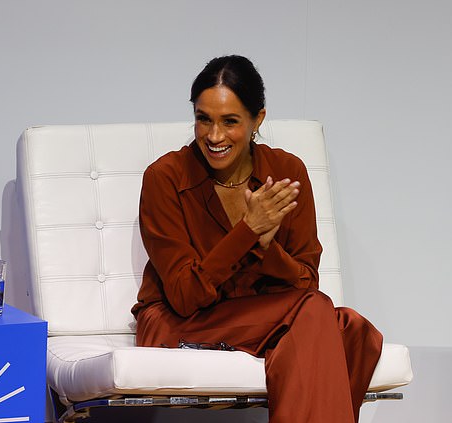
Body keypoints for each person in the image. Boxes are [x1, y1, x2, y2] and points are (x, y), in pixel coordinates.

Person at [131, 55, 383, 423]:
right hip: (177, 321)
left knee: (352, 328)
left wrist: (267, 249)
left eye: (229, 121)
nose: (214, 136)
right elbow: (185, 295)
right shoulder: (165, 177)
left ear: (257, 120)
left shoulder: (286, 172)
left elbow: (305, 282)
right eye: (203, 119)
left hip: (265, 317)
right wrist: (247, 233)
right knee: (323, 317)